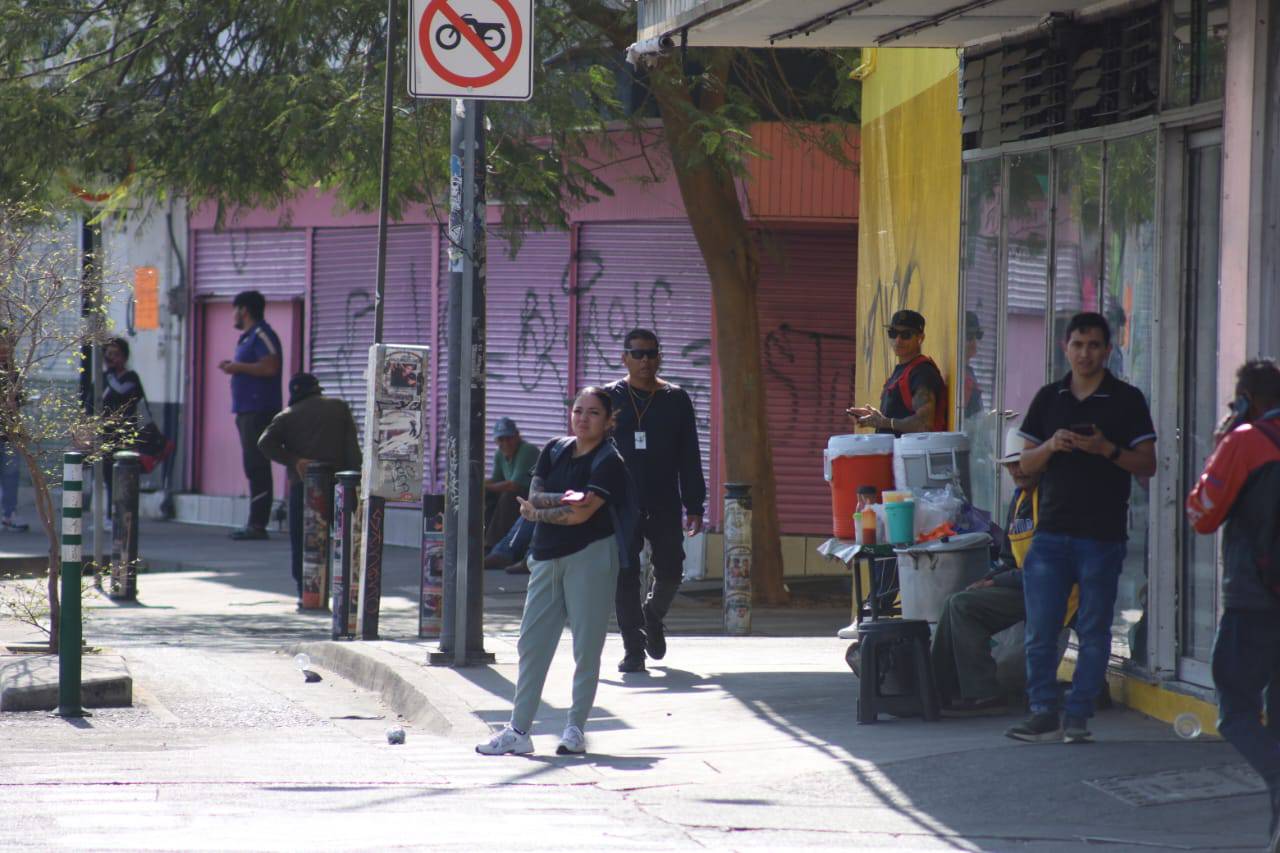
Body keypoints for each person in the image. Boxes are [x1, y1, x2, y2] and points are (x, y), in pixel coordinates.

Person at [1007, 312, 1156, 744]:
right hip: (1051, 534)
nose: (1085, 353)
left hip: (1102, 536)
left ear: (1108, 350)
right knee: (1040, 629)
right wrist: (1052, 445)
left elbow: (1147, 464)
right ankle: (1042, 712)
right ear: (1065, 348)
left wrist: (1105, 449)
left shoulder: (1126, 400)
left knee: (1093, 630)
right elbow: (1024, 465)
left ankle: (1078, 716)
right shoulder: (1049, 397)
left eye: (1094, 345)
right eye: (1078, 344)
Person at [476, 387, 629, 757]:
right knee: (531, 644)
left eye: (593, 413)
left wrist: (541, 509)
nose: (583, 418)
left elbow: (580, 513)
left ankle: (575, 728)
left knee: (586, 647)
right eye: (578, 410)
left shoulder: (609, 460)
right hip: (544, 558)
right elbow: (535, 495)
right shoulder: (554, 449)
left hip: (590, 557)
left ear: (609, 421)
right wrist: (559, 500)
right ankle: (519, 730)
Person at [1186, 359, 1280, 850]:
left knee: (1237, 711)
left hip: (1255, 599)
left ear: (1246, 398)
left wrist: (1222, 442)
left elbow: (1201, 515)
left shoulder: (1245, 442)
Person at [932, 429, 1080, 713]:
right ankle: (940, 687)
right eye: (1011, 465)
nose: (1015, 470)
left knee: (963, 607)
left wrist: (998, 581)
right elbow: (1010, 559)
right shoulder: (1020, 500)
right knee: (957, 600)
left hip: (1056, 592)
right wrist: (989, 579)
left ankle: (982, 691)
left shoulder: (1055, 499)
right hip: (1028, 586)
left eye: (1021, 462)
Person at [604, 329, 705, 674]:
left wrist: (695, 505)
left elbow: (689, 454)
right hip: (621, 502)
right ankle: (633, 647)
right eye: (637, 353)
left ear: (659, 357)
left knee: (672, 569)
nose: (645, 360)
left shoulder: (675, 398)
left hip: (664, 498)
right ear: (625, 358)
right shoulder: (609, 397)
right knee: (625, 573)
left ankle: (653, 614)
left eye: (651, 353)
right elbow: (592, 448)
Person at [257, 373, 361, 606]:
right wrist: (356, 481)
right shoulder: (339, 408)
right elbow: (352, 449)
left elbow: (264, 443)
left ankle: (308, 592)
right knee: (346, 539)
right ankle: (349, 591)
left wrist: (295, 460)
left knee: (304, 541)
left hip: (304, 488)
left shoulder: (287, 416)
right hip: (339, 485)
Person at [218, 290, 282, 541]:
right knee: (252, 465)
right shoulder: (247, 338)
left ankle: (258, 523)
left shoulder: (262, 334)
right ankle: (255, 520)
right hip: (246, 409)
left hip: (259, 410)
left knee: (257, 464)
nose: (233, 315)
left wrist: (237, 367)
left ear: (244, 310)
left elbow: (271, 366)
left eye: (235, 309)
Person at [847, 309, 948, 435]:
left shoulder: (922, 372)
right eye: (893, 333)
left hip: (912, 454)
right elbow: (895, 417)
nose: (898, 340)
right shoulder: (902, 370)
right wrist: (875, 418)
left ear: (920, 338)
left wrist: (884, 422)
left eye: (906, 335)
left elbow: (924, 424)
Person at [483, 417, 539, 569]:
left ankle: (494, 546)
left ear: (517, 437)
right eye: (501, 439)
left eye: (509, 438)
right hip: (515, 499)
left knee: (508, 495)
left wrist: (484, 487)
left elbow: (513, 485)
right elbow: (496, 479)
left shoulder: (527, 450)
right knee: (487, 496)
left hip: (531, 498)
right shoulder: (500, 454)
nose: (505, 443)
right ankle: (484, 543)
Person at [100, 337, 145, 521]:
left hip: (125, 434)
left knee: (123, 475)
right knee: (107, 474)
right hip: (106, 433)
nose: (112, 359)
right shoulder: (104, 378)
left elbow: (121, 391)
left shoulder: (130, 378)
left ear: (124, 357)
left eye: (116, 354)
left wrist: (109, 374)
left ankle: (123, 514)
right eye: (109, 354)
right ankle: (110, 514)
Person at [0, 334, 27, 532]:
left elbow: (17, 405)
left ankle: (9, 514)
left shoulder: (14, 375)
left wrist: (19, 429)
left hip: (8, 433)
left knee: (11, 474)